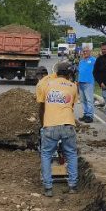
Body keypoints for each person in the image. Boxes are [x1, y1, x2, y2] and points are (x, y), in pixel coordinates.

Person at [36, 61, 79, 196]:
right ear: (69, 74)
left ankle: (48, 188)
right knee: (71, 154)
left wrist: (42, 124)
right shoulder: (73, 86)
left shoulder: (46, 84)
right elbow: (71, 106)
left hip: (50, 125)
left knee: (46, 154)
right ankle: (72, 186)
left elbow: (41, 107)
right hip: (68, 125)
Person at [75, 46, 96, 123]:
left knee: (89, 100)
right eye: (83, 51)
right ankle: (85, 114)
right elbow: (79, 72)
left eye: (86, 51)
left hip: (89, 82)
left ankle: (90, 116)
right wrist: (77, 80)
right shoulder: (81, 61)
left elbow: (97, 70)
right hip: (81, 82)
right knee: (83, 100)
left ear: (90, 51)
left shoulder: (94, 60)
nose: (84, 52)